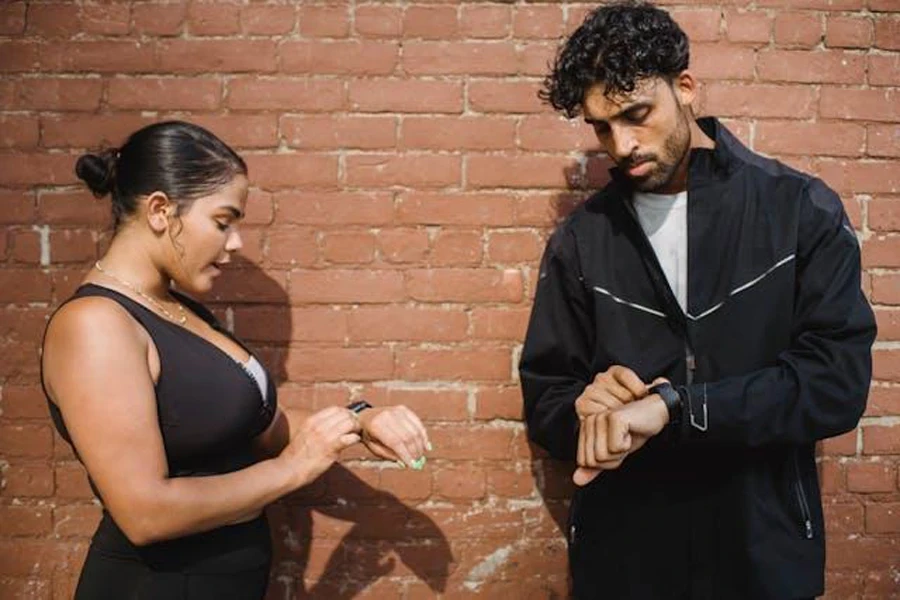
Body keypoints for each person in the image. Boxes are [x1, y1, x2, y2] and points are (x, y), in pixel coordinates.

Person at [519, 3, 876, 599]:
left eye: (636, 115)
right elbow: (546, 395)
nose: (622, 144)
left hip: (762, 558)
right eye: (602, 127)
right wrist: (584, 411)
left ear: (685, 88)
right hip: (627, 566)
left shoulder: (797, 211)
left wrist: (677, 408)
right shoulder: (582, 241)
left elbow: (834, 384)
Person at [41, 121, 431, 599]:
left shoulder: (180, 312)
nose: (235, 243)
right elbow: (145, 511)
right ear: (161, 210)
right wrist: (292, 470)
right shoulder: (96, 325)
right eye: (223, 221)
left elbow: (263, 427)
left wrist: (362, 420)